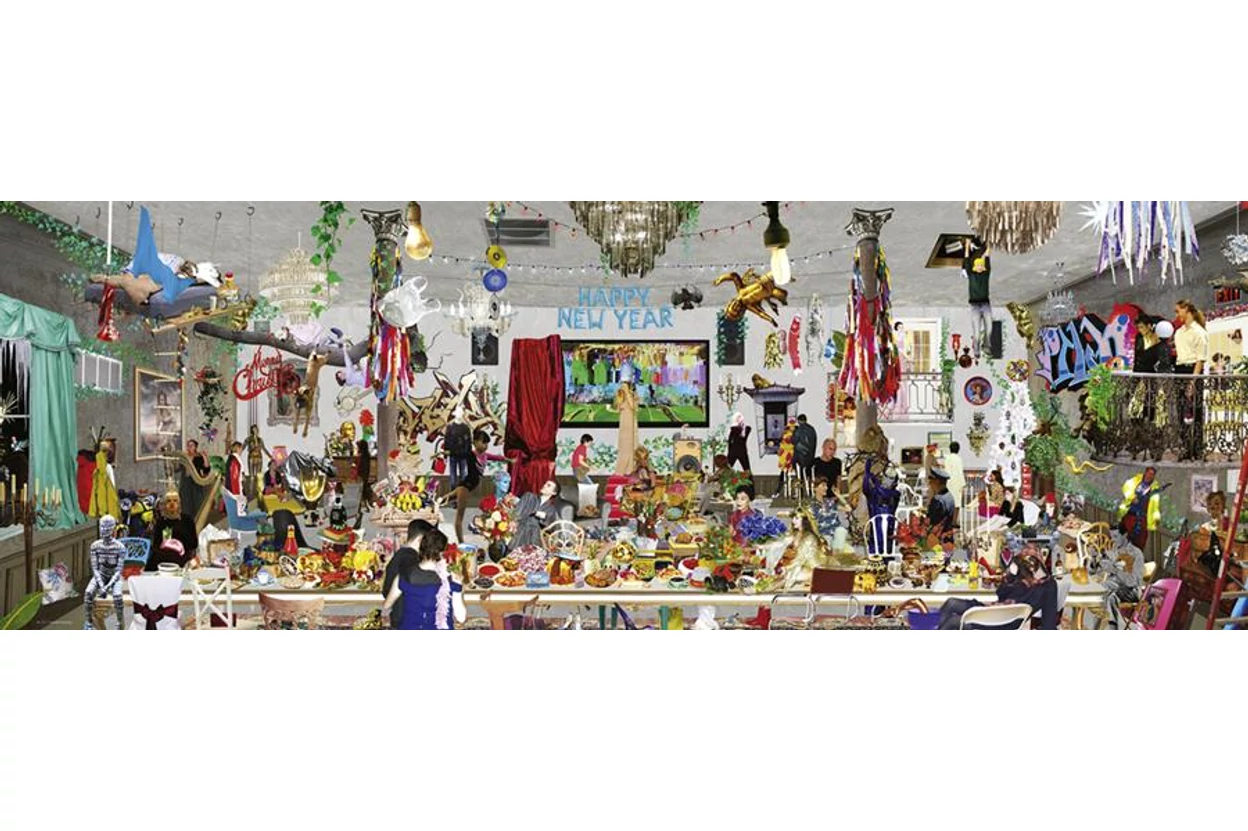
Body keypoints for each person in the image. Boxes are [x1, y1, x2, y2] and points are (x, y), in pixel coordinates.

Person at [381, 528, 466, 630]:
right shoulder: (450, 581)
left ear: (420, 548)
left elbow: (386, 605)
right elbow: (461, 618)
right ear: (442, 553)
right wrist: (460, 589)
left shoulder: (404, 575)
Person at [381, 518, 436, 629]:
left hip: (397, 616)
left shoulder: (400, 555)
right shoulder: (411, 560)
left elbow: (386, 589)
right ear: (420, 539)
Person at [1174, 299, 1208, 459]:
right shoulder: (1178, 332)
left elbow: (1200, 359)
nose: (1177, 314)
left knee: (1196, 411)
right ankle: (1186, 447)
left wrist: (1193, 381)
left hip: (1193, 370)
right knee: (1182, 411)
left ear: (1186, 309)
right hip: (1180, 370)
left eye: (1178, 311)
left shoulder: (1199, 332)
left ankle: (1198, 449)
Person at [147, 491, 198, 570]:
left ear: (179, 504)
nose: (172, 503)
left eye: (175, 500)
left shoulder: (187, 520)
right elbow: (156, 545)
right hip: (163, 559)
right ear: (164, 504)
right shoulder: (160, 522)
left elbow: (194, 544)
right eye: (169, 501)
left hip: (183, 558)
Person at [1117, 466, 1165, 550]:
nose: (1150, 476)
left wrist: (1156, 517)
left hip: (1141, 518)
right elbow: (1126, 487)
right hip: (1129, 514)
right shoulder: (1136, 480)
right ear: (1145, 473)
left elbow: (1155, 505)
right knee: (1119, 534)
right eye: (1149, 473)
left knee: (1137, 542)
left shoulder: (1154, 487)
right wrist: (1132, 498)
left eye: (1152, 474)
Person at [511, 480, 563, 549]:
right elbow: (516, 512)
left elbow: (552, 527)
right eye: (545, 484)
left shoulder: (551, 509)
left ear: (554, 493)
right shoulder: (529, 496)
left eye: (548, 485)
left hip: (534, 538)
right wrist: (513, 522)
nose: (544, 486)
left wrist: (545, 517)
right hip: (519, 531)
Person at [611, 381, 640, 475]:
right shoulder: (620, 394)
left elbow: (633, 407)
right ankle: (622, 469)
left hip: (631, 421)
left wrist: (628, 393)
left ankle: (630, 469)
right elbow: (618, 408)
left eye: (625, 386)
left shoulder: (633, 395)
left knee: (631, 444)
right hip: (623, 421)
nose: (623, 387)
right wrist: (621, 396)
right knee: (623, 445)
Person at [925, 468, 957, 540]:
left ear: (937, 481)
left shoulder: (937, 500)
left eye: (931, 481)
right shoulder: (949, 496)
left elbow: (931, 522)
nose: (929, 483)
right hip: (947, 538)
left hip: (937, 540)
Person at [791, 414, 818, 486]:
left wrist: (793, 432)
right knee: (808, 477)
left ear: (799, 421)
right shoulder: (812, 429)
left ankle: (801, 490)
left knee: (800, 477)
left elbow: (793, 440)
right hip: (810, 457)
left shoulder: (799, 430)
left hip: (800, 457)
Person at [774, 418, 797, 497]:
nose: (792, 427)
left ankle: (796, 492)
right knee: (784, 474)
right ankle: (778, 491)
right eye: (791, 425)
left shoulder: (793, 433)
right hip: (786, 456)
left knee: (794, 474)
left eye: (793, 425)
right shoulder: (786, 433)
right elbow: (782, 443)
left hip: (791, 456)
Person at [944, 441, 966, 508]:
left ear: (950, 449)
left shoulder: (947, 458)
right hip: (957, 482)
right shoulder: (958, 459)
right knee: (957, 503)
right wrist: (963, 485)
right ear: (958, 449)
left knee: (948, 502)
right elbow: (960, 472)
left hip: (948, 482)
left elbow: (946, 471)